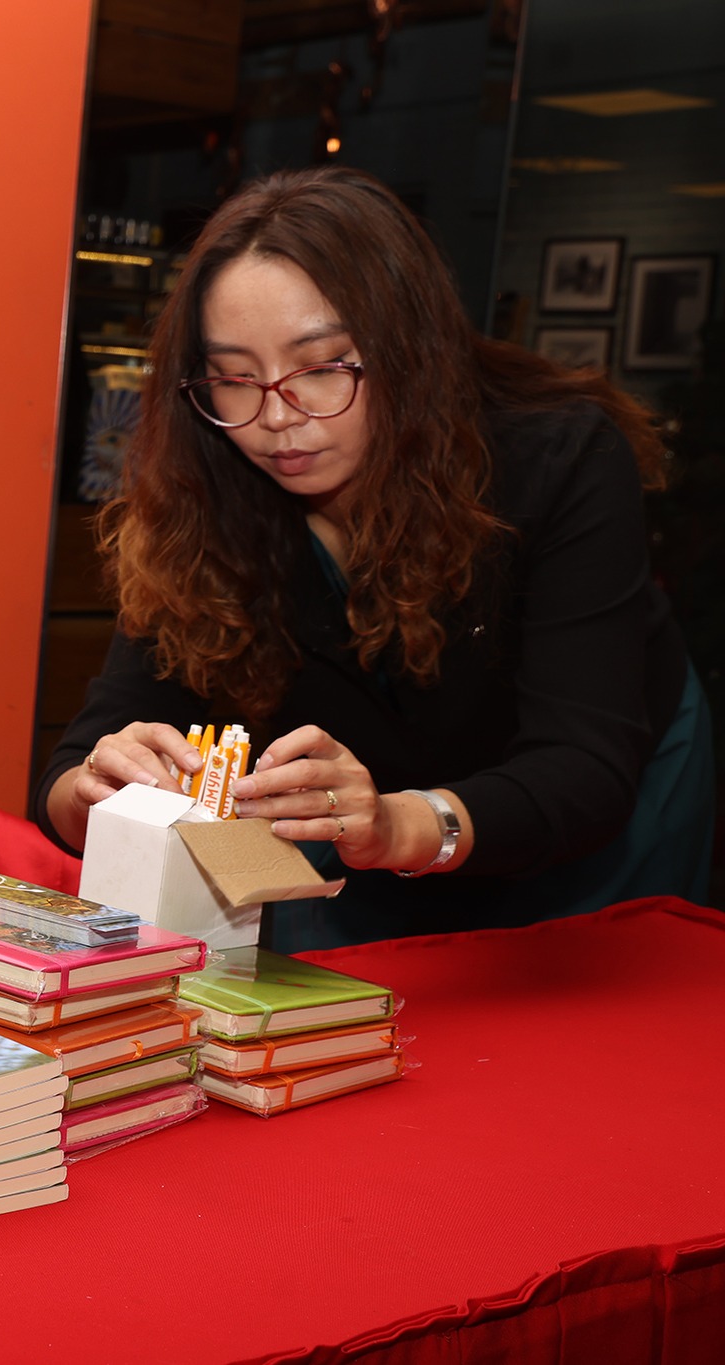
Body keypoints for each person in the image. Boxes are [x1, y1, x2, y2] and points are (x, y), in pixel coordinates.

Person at [36, 167, 713, 950]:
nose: (277, 416)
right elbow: (69, 772)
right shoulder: (208, 490)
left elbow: (583, 770)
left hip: (593, 800)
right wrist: (96, 791)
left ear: (410, 350)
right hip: (378, 821)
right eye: (234, 377)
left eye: (323, 367)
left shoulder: (559, 457)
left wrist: (399, 823)